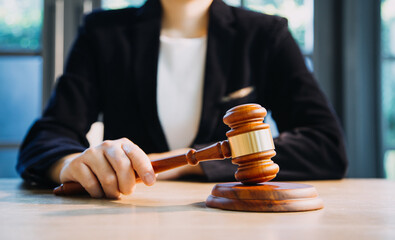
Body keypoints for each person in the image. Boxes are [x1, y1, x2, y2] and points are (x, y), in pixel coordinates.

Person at [17, 0, 347, 199]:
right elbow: (45, 138)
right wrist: (70, 165)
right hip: (127, 221)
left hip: (236, 225)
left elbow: (326, 145)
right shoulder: (103, 33)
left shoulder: (265, 35)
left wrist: (177, 162)